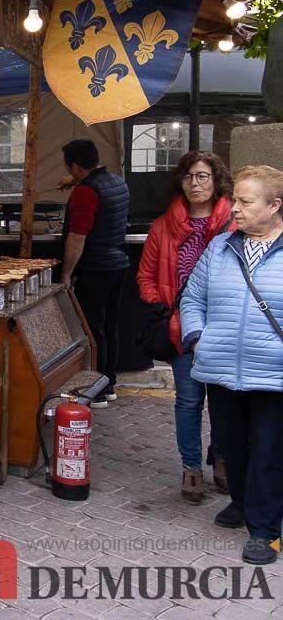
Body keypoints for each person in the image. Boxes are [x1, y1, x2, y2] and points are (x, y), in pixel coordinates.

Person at [180, 165, 283, 565]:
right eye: (235, 200)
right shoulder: (220, 247)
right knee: (230, 444)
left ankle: (265, 530)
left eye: (245, 201)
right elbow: (192, 299)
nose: (235, 209)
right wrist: (197, 337)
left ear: (275, 206)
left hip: (273, 373)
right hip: (221, 367)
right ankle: (242, 502)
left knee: (270, 449)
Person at [136, 151, 234, 504]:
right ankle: (191, 466)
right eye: (189, 176)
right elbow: (145, 274)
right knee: (189, 401)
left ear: (216, 180)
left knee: (224, 402)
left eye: (203, 176)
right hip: (180, 328)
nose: (195, 183)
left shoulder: (233, 224)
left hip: (225, 328)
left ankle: (221, 456)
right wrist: (161, 305)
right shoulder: (164, 225)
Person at [60, 139, 129, 407]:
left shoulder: (85, 193)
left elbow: (78, 237)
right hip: (119, 264)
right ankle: (109, 382)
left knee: (93, 329)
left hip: (96, 268)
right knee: (110, 327)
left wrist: (66, 273)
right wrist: (76, 182)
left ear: (75, 166)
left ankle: (97, 390)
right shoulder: (117, 182)